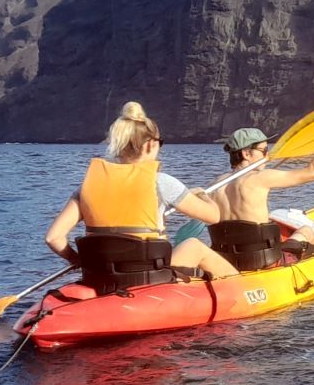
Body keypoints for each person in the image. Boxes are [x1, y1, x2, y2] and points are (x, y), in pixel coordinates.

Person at [44, 102, 235, 286]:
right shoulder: (161, 181)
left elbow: (54, 238)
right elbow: (213, 216)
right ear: (150, 145)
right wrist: (202, 195)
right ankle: (245, 291)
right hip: (150, 275)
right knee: (194, 245)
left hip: (101, 276)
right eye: (160, 142)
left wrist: (77, 260)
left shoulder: (87, 187)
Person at [206, 127, 314, 270]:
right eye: (264, 151)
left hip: (229, 263)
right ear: (246, 153)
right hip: (266, 262)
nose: (268, 155)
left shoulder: (214, 185)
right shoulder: (260, 177)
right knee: (306, 231)